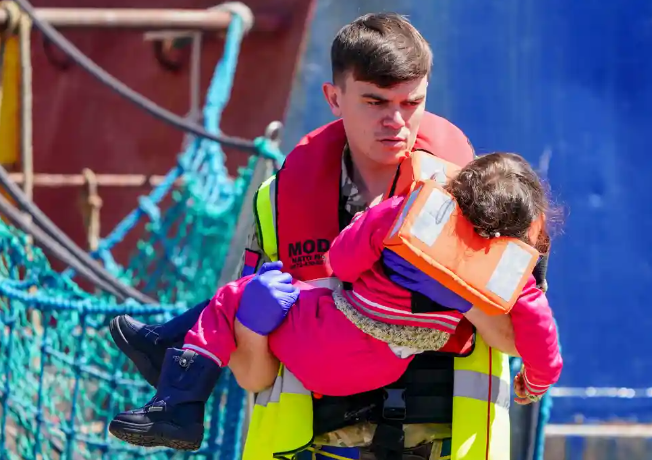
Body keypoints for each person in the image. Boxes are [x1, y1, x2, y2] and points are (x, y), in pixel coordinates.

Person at [108, 13, 549, 460]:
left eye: (411, 102)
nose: (396, 121)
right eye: (376, 102)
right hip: (315, 449)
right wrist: (254, 326)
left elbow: (519, 336)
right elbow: (254, 376)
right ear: (334, 98)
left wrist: (451, 279)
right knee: (232, 303)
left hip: (447, 445)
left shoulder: (479, 197)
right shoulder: (278, 200)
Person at [108, 152, 562, 451]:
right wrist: (535, 383)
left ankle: (180, 404)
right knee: (241, 302)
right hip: (386, 364)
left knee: (237, 296)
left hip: (328, 344)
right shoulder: (507, 273)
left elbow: (341, 262)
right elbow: (543, 339)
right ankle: (163, 344)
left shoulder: (406, 211)